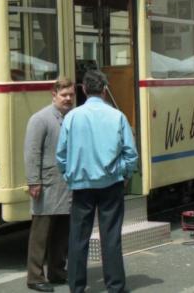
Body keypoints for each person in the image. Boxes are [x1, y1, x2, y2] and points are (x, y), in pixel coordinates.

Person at [56, 69, 139, 293]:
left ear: (83, 89)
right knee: (110, 237)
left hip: (81, 186)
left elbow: (61, 154)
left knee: (78, 238)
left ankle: (77, 287)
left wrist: (68, 174)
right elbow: (131, 154)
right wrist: (124, 173)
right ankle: (116, 287)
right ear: (104, 90)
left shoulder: (72, 117)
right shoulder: (117, 116)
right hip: (110, 184)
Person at [23, 77, 76, 292]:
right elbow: (31, 152)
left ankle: (56, 270)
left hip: (66, 185)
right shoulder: (40, 119)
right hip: (46, 184)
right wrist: (33, 181)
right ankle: (35, 276)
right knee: (41, 233)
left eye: (71, 95)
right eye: (64, 95)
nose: (68, 99)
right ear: (53, 95)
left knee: (62, 232)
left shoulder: (72, 117)